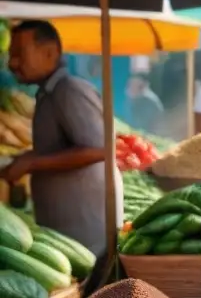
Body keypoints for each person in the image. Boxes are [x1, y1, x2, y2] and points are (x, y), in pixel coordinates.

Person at [0, 21, 123, 257]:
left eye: (19, 54)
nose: (12, 63)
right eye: (10, 55)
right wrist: (24, 159)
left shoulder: (70, 90)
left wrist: (32, 163)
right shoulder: (49, 94)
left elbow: (101, 150)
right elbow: (57, 151)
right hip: (70, 234)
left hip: (88, 237)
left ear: (50, 52)